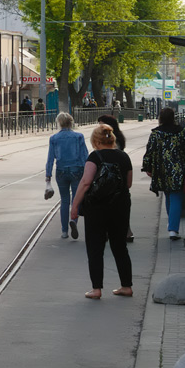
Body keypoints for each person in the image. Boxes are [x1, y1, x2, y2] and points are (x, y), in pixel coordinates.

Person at [69, 123, 134, 299]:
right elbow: (128, 184)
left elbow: (85, 183)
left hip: (96, 208)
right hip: (120, 206)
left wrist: (75, 206)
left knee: (95, 247)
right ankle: (126, 286)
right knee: (120, 246)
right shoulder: (124, 157)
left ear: (95, 141)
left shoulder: (94, 157)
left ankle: (96, 289)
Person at [143, 107, 185, 241]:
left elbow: (149, 151)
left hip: (161, 170)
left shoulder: (156, 134)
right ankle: (173, 229)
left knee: (168, 195)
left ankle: (172, 224)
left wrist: (147, 167)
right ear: (173, 117)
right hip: (178, 169)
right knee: (176, 196)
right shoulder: (182, 132)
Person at [45, 112, 88, 240]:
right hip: (77, 171)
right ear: (71, 122)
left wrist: (48, 177)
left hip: (61, 172)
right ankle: (73, 221)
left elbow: (50, 159)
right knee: (76, 199)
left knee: (64, 200)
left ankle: (64, 231)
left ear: (59, 123)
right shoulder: (79, 136)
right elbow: (85, 156)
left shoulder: (54, 138)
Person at [97, 114, 134, 243]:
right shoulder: (118, 138)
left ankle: (120, 231)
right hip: (120, 174)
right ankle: (125, 231)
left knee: (112, 204)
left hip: (112, 175)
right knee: (122, 203)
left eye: (101, 124)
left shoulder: (111, 139)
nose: (99, 126)